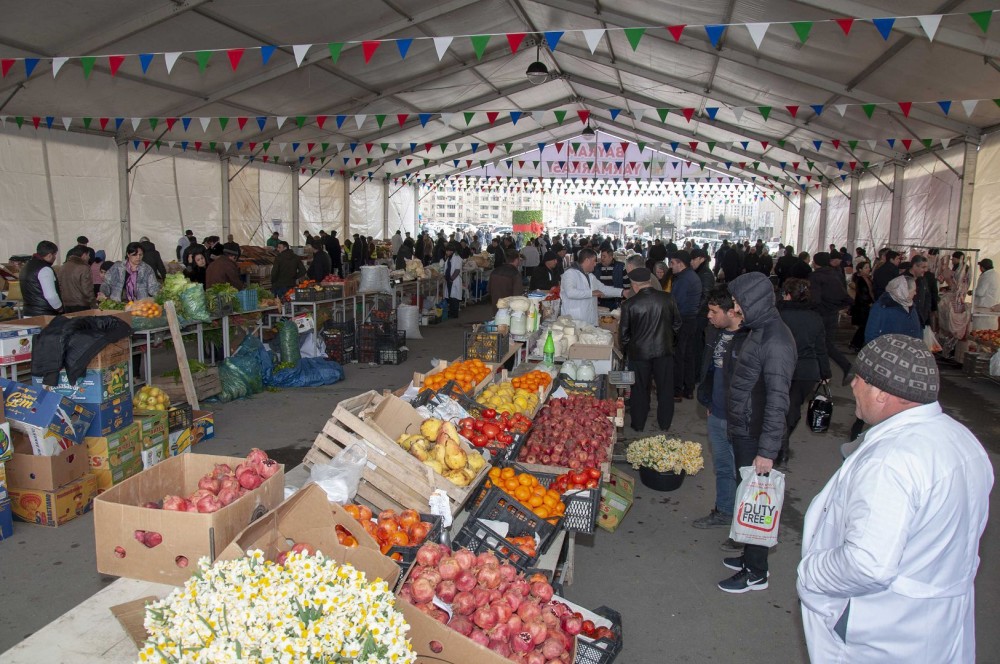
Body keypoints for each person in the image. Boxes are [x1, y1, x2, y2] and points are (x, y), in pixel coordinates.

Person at [798, 334, 992, 663]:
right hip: (933, 620)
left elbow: (867, 564)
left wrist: (811, 571)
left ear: (883, 393)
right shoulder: (963, 441)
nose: (854, 386)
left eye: (859, 378)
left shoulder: (890, 461)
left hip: (880, 627)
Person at [718, 271, 796, 594]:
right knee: (746, 494)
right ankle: (749, 553)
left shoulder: (776, 341)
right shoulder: (761, 329)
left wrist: (768, 451)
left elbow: (778, 401)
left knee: (756, 501)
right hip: (746, 427)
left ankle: (756, 571)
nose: (736, 309)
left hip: (756, 431)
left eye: (739, 303)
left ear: (755, 302)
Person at [694, 285, 743, 533]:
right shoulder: (715, 334)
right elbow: (711, 371)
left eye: (714, 311)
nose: (709, 316)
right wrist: (709, 401)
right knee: (723, 467)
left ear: (731, 311)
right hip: (717, 411)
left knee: (742, 472)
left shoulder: (750, 339)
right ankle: (724, 511)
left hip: (741, 418)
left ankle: (744, 524)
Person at [776, 278, 831, 466]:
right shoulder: (815, 318)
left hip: (780, 367)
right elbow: (821, 348)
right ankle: (783, 444)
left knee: (775, 407)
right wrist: (825, 372)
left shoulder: (777, 315)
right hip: (806, 370)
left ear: (788, 295)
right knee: (793, 407)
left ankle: (778, 446)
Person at [620, 268, 682, 432]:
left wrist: (627, 352)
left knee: (639, 389)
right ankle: (665, 423)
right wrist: (669, 340)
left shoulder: (629, 304)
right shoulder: (668, 298)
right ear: (649, 281)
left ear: (634, 285)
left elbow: (624, 335)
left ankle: (638, 424)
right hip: (664, 351)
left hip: (639, 353)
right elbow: (677, 324)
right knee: (665, 389)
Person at [808, 252, 854, 383]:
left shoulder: (815, 277)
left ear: (815, 263)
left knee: (820, 344)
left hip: (820, 314)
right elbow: (844, 293)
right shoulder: (836, 274)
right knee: (826, 343)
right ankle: (825, 373)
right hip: (833, 314)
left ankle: (829, 372)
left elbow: (815, 299)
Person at [560, 248, 626, 326]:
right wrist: (591, 293)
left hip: (589, 320)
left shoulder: (590, 276)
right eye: (594, 261)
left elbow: (603, 289)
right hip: (574, 321)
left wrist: (622, 292)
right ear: (587, 260)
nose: (595, 264)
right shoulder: (570, 273)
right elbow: (570, 292)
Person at [669, 251, 702, 402]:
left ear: (680, 263)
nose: (671, 266)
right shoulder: (692, 276)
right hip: (691, 320)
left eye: (673, 263)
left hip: (682, 321)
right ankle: (689, 389)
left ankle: (677, 391)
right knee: (689, 355)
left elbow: (676, 303)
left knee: (678, 356)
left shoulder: (683, 280)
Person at [866, 275, 921, 343]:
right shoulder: (881, 307)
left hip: (910, 351)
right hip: (889, 351)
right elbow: (871, 335)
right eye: (913, 290)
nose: (915, 293)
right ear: (903, 291)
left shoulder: (911, 305)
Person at [56, 245, 95, 313]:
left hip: (66, 304)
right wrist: (94, 303)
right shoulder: (84, 268)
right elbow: (87, 289)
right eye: (88, 255)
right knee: (82, 323)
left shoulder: (63, 267)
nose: (89, 257)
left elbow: (59, 286)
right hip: (81, 304)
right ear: (84, 255)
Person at [849, 259, 874, 351]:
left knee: (864, 326)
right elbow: (862, 294)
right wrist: (869, 302)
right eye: (866, 268)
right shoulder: (860, 280)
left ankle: (856, 344)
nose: (868, 269)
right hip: (862, 307)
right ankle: (855, 343)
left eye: (869, 267)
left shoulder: (868, 279)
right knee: (863, 326)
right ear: (860, 270)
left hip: (866, 306)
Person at [442, 241, 464, 318]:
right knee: (451, 297)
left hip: (454, 280)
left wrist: (451, 279)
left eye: (447, 251)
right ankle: (451, 312)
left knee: (454, 298)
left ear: (451, 251)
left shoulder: (457, 258)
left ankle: (454, 314)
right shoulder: (450, 257)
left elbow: (457, 270)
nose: (446, 252)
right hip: (449, 280)